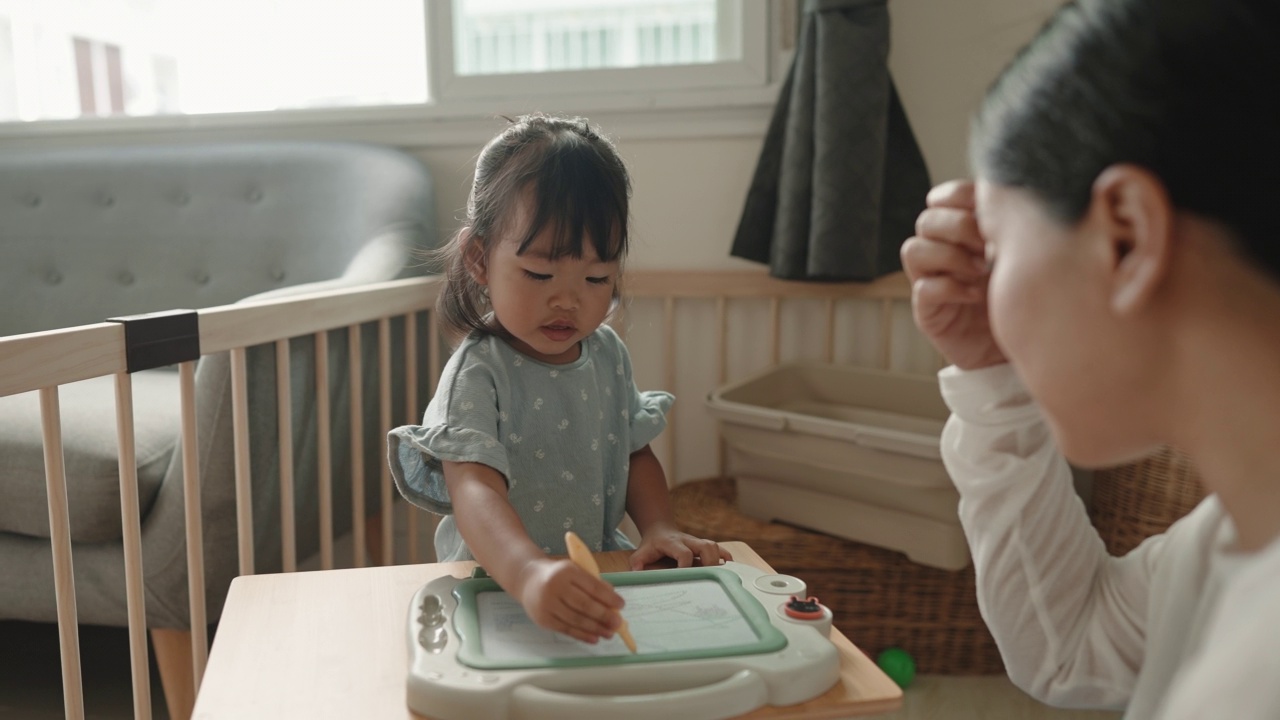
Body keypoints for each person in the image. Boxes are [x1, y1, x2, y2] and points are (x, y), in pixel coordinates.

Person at [901, 0, 1280, 717]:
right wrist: (990, 374)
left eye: (1002, 250)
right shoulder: (1235, 533)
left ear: (1127, 237)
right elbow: (1072, 643)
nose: (993, 300)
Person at [388, 114, 731, 645]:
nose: (567, 299)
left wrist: (659, 528)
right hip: (497, 586)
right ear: (480, 259)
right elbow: (474, 488)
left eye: (596, 278)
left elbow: (634, 452)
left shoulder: (607, 354)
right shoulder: (479, 372)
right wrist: (527, 572)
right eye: (540, 274)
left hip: (594, 570)